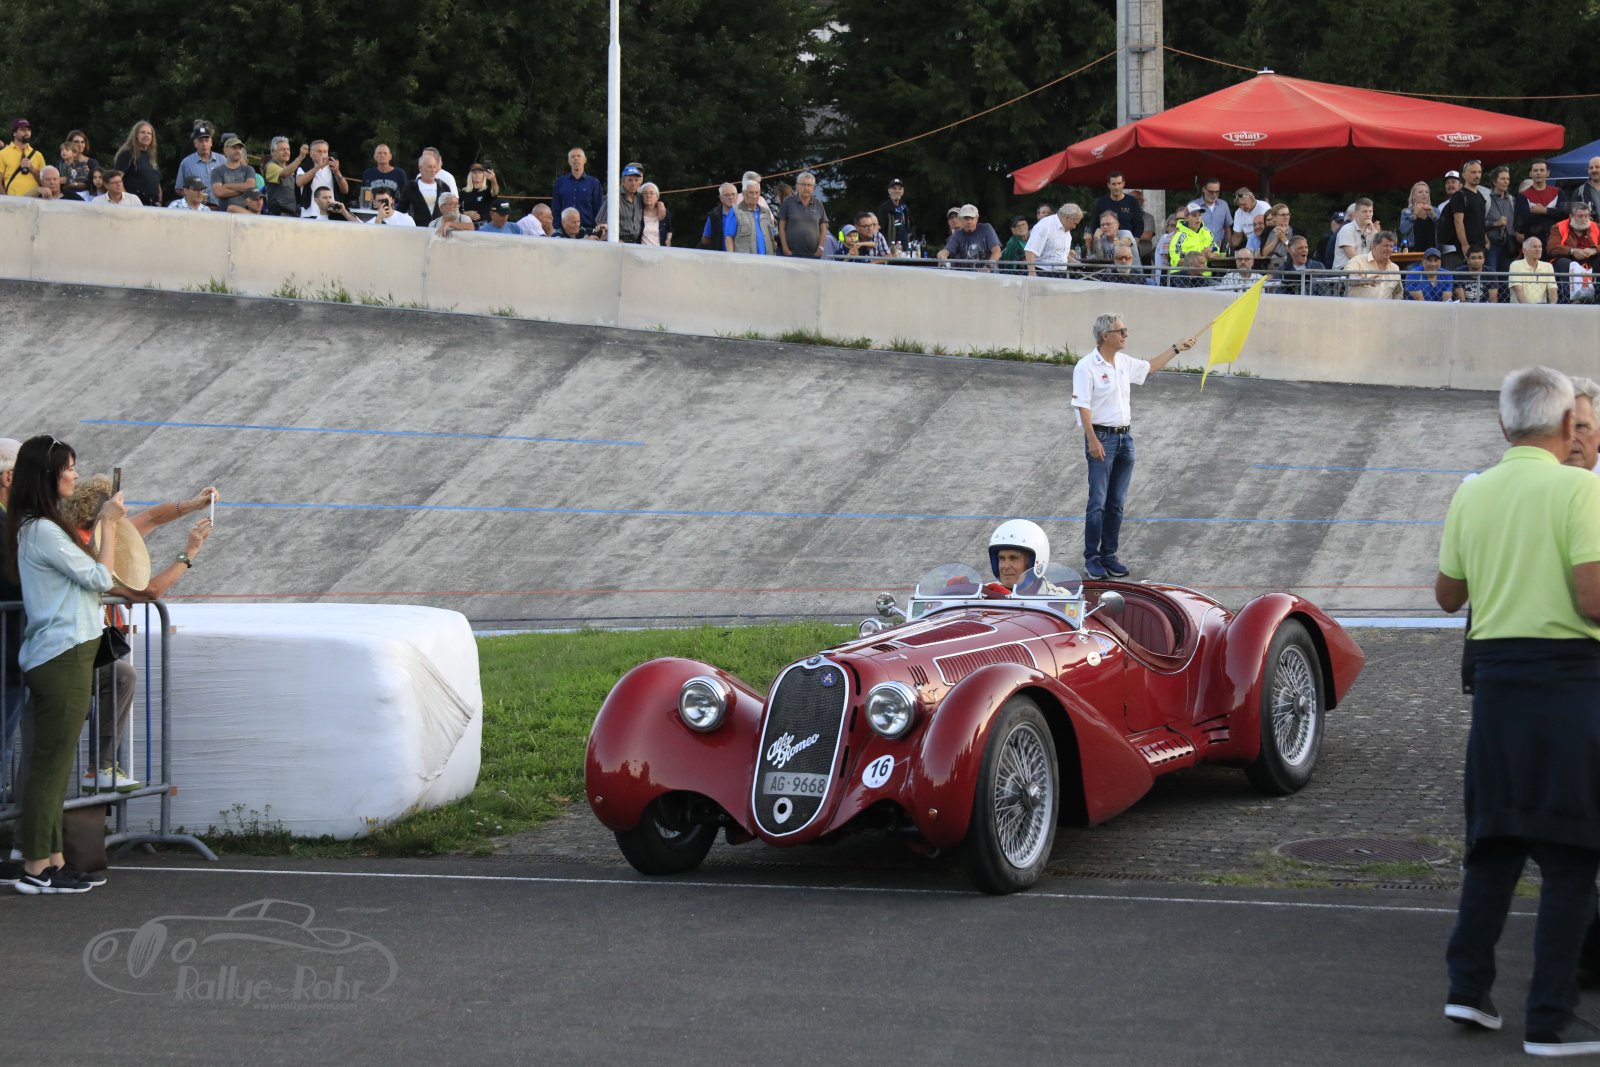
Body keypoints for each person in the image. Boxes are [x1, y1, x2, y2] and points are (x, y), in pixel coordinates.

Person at [1436, 366, 1600, 1056]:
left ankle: (1468, 988)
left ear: (1504, 424)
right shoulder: (1580, 489)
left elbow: (1449, 594)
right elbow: (1593, 599)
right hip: (1568, 686)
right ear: (1566, 425)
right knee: (1572, 854)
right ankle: (1550, 1018)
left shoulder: (1473, 491)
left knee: (1495, 842)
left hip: (1498, 687)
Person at [4, 435, 122, 894]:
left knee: (53, 765)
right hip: (62, 653)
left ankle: (52, 861)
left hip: (58, 652)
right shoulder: (42, 530)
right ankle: (36, 867)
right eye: (68, 467)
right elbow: (99, 577)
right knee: (49, 768)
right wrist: (109, 526)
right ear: (48, 474)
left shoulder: (35, 526)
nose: (74, 474)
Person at [62, 477, 214, 793]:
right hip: (68, 652)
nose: (126, 511)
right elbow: (149, 591)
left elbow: (153, 518)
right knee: (117, 680)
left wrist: (194, 503)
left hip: (80, 647)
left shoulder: (93, 535)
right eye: (119, 508)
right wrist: (188, 554)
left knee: (121, 676)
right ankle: (96, 771)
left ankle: (100, 770)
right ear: (104, 514)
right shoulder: (87, 550)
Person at [1071, 314, 1197, 581]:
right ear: (1106, 336)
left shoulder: (1123, 363)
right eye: (1121, 331)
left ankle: (1109, 555)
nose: (1125, 335)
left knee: (1116, 503)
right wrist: (1092, 440)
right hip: (1102, 437)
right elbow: (1083, 406)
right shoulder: (1086, 367)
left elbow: (1149, 367)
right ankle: (1092, 558)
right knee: (1098, 502)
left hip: (1125, 439)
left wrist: (1176, 348)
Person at [987, 520, 1069, 594]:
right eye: (1001, 558)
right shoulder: (985, 593)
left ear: (1035, 563)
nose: (1005, 566)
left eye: (1013, 558)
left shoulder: (1059, 599)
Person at [396, 149, 455, 229]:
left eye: (434, 167)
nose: (433, 170)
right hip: (417, 230)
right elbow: (400, 212)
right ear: (420, 168)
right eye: (430, 167)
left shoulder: (444, 187)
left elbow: (452, 211)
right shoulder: (411, 187)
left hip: (439, 231)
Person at [1546, 200, 1600, 287]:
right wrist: (1572, 251)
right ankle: (1569, 295)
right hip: (1569, 259)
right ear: (1571, 216)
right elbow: (1552, 248)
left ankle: (1596, 293)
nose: (1584, 219)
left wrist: (1594, 250)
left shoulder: (1596, 226)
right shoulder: (1558, 227)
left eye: (1586, 216)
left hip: (1590, 260)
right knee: (1564, 262)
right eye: (1580, 216)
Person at [1517, 159, 1565, 252]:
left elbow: (1564, 215)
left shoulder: (1558, 192)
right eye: (1535, 170)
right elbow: (1523, 220)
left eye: (1542, 170)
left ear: (1548, 173)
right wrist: (1553, 213)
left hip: (1556, 240)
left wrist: (1544, 210)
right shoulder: (1523, 196)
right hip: (1532, 241)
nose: (1538, 173)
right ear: (1530, 174)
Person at [1448, 161, 1489, 272]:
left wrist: (1486, 240)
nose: (1477, 175)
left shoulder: (1479, 195)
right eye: (1473, 172)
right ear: (1464, 175)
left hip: (1480, 245)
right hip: (1468, 246)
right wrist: (1464, 244)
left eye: (1479, 172)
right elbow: (1458, 221)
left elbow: (1479, 220)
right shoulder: (1459, 195)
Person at [777, 171, 827, 258]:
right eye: (803, 184)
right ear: (797, 186)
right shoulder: (788, 202)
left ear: (813, 188)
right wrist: (785, 249)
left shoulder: (818, 204)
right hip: (791, 254)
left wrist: (820, 248)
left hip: (814, 255)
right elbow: (781, 227)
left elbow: (823, 229)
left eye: (809, 185)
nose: (806, 188)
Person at [112, 121, 162, 206]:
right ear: (135, 135)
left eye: (149, 133)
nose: (146, 135)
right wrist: (128, 201)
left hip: (152, 205)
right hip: (133, 206)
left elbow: (157, 182)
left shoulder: (151, 157)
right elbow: (116, 180)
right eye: (142, 132)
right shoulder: (127, 154)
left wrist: (159, 201)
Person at [938, 204, 1002, 270]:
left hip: (990, 274)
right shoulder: (957, 234)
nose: (969, 221)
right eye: (966, 218)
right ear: (960, 219)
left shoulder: (986, 228)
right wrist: (941, 255)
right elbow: (946, 251)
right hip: (967, 274)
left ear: (977, 218)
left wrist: (987, 267)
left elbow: (997, 252)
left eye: (972, 218)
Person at [1024, 203, 1082, 276]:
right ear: (1066, 217)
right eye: (1074, 223)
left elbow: (1059, 254)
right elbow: (1030, 250)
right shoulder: (1045, 225)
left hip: (1061, 274)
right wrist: (1032, 273)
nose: (1074, 227)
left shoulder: (1066, 230)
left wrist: (1078, 264)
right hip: (1042, 273)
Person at [552, 148, 602, 229]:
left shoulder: (594, 183)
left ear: (585, 160)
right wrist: (557, 228)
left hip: (588, 229)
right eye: (573, 156)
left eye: (579, 156)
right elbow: (556, 208)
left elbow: (598, 208)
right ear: (569, 161)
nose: (576, 158)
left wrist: (597, 230)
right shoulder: (560, 182)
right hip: (564, 230)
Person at [174, 122, 222, 207]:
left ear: (211, 142)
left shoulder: (222, 160)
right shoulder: (186, 163)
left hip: (220, 208)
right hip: (197, 208)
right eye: (200, 141)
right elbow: (179, 188)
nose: (204, 144)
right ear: (195, 144)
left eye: (206, 141)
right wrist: (194, 196)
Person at [295, 140, 348, 216]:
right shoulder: (304, 167)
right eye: (319, 151)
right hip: (310, 213)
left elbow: (345, 190)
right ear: (311, 154)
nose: (322, 154)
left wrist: (337, 172)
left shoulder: (332, 167)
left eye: (325, 152)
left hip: (331, 213)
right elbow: (299, 182)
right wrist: (318, 167)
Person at [1343, 231, 1402, 299]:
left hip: (1385, 306)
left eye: (1391, 246)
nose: (1389, 249)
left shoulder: (1395, 268)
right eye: (1385, 246)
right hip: (1359, 305)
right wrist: (1363, 281)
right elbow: (1346, 279)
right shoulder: (1357, 260)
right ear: (1374, 245)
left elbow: (1398, 292)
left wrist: (1396, 304)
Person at [596, 162, 646, 243]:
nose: (633, 183)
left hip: (635, 244)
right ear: (623, 181)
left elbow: (652, 206)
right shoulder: (613, 196)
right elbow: (600, 222)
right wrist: (612, 238)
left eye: (636, 180)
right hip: (617, 243)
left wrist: (659, 204)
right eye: (630, 180)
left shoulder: (639, 197)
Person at [1093, 172, 1147, 246]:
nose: (1117, 187)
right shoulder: (1101, 202)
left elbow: (1139, 226)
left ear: (1123, 183)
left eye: (1119, 183)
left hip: (1128, 244)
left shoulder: (1132, 201)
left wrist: (1134, 242)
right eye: (1114, 184)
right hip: (1106, 245)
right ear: (1108, 185)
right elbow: (1095, 225)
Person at [724, 180, 775, 254]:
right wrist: (731, 257)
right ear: (744, 194)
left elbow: (772, 237)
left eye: (757, 192)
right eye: (751, 193)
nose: (754, 196)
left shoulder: (766, 212)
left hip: (767, 258)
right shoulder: (735, 211)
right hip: (745, 259)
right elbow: (728, 237)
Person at [209, 135, 256, 214]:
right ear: (225, 150)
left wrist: (228, 185)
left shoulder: (249, 169)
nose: (238, 151)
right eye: (234, 148)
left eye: (240, 148)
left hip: (245, 214)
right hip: (224, 214)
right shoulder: (217, 171)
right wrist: (244, 190)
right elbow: (219, 192)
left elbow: (250, 186)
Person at [0, 118, 46, 198]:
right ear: (14, 133)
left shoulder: (38, 155)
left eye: (29, 130)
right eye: (23, 130)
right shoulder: (3, 153)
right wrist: (6, 199)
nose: (27, 132)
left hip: (35, 201)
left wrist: (32, 168)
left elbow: (45, 182)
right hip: (13, 201)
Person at [1484, 166, 1517, 275]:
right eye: (1502, 179)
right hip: (1491, 245)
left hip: (1509, 246)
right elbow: (1478, 223)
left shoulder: (1512, 200)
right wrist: (1495, 223)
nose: (1506, 181)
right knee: (1491, 276)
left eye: (1508, 179)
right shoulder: (1486, 199)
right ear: (1494, 181)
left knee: (1506, 278)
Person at [263, 138, 307, 217]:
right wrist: (300, 158)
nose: (286, 152)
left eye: (288, 149)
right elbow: (285, 173)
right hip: (279, 214)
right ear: (273, 152)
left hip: (293, 213)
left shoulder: (290, 168)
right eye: (282, 149)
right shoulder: (270, 166)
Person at [1509, 237, 1558, 305]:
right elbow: (1518, 290)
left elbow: (1552, 289)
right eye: (1534, 247)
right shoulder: (1515, 265)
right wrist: (1529, 309)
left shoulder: (1548, 266)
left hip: (1541, 308)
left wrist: (1552, 306)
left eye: (1540, 247)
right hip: (1520, 308)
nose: (1538, 249)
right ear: (1524, 250)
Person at [1333, 199, 1379, 269]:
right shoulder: (1346, 229)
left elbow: (1379, 252)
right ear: (1356, 213)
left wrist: (1373, 230)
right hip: (1345, 270)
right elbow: (1352, 256)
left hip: (1363, 269)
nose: (1368, 215)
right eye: (1364, 211)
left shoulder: (1371, 230)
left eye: (1370, 211)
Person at [1168, 202, 1214, 269]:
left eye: (1199, 215)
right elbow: (1176, 261)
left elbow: (1217, 253)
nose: (1198, 218)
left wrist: (1211, 255)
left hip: (1204, 274)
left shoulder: (1207, 233)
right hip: (1183, 274)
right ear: (1186, 218)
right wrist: (1198, 259)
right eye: (1194, 215)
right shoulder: (1179, 236)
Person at [876, 179, 916, 249]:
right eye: (894, 188)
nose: (897, 191)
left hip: (905, 246)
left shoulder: (904, 207)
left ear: (902, 192)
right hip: (890, 247)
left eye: (899, 189)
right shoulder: (884, 208)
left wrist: (911, 234)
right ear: (889, 191)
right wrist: (885, 246)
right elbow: (880, 229)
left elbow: (911, 224)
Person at [1399, 182, 1438, 254]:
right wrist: (1414, 215)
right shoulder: (1406, 212)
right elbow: (1403, 230)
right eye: (1420, 192)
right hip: (1412, 252)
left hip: (1432, 254)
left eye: (1426, 192)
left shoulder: (1435, 210)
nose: (1424, 194)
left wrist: (1433, 215)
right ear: (1413, 196)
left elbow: (1443, 229)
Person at [56, 130, 96, 200]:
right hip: (65, 197)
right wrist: (58, 180)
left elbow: (97, 182)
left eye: (82, 142)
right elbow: (53, 180)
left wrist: (90, 175)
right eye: (76, 142)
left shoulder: (92, 162)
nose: (80, 144)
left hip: (85, 197)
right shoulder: (60, 163)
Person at [1195, 177, 1230, 252]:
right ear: (1203, 189)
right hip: (1199, 250)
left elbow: (1227, 228)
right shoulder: (1193, 205)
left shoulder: (1223, 205)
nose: (1214, 195)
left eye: (1217, 192)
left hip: (1219, 250)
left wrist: (1228, 246)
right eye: (1211, 192)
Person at [1259, 203, 1295, 273]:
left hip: (1289, 269)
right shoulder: (1267, 231)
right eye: (1283, 215)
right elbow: (1264, 253)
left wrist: (1284, 239)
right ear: (1274, 217)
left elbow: (1294, 253)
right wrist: (1277, 238)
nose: (1286, 217)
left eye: (1288, 214)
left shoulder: (1296, 231)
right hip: (1271, 269)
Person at [701, 183, 738, 250]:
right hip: (720, 254)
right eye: (727, 195)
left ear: (737, 196)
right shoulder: (714, 215)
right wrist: (716, 246)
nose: (730, 197)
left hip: (741, 254)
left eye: (733, 194)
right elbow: (705, 239)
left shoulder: (746, 213)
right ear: (721, 198)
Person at [638, 182, 672, 247]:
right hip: (641, 249)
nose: (648, 196)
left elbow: (669, 230)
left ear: (657, 197)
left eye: (651, 193)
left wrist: (668, 239)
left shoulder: (664, 212)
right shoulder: (638, 212)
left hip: (660, 249)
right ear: (641, 197)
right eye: (645, 193)